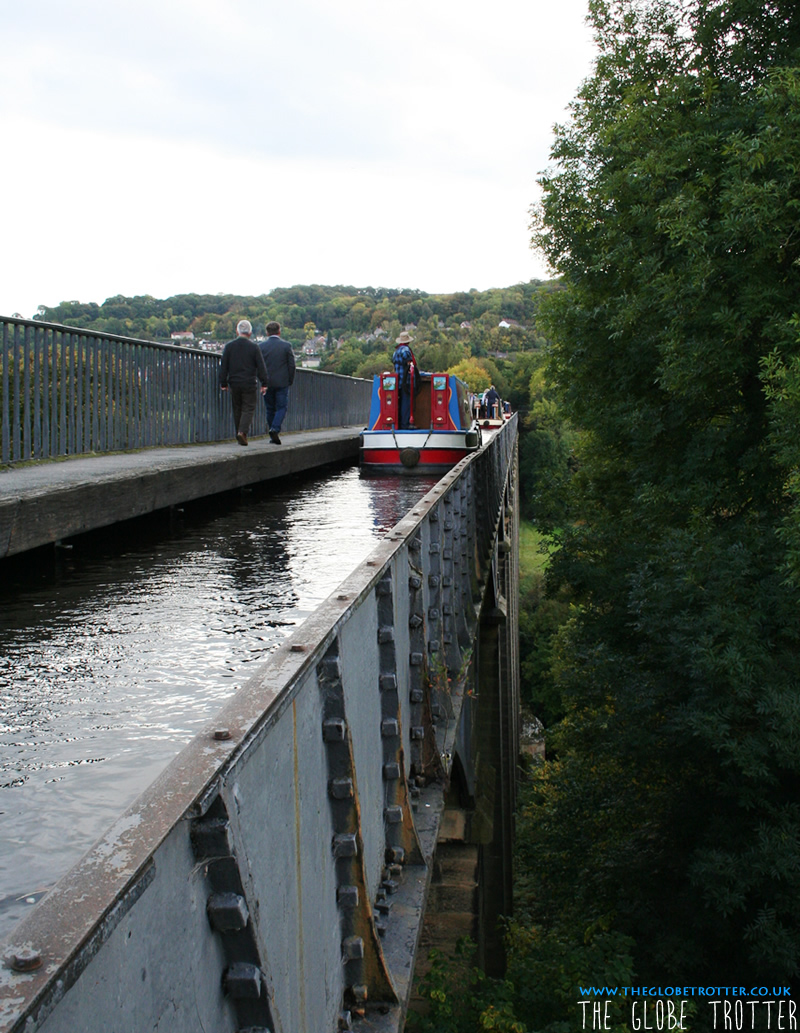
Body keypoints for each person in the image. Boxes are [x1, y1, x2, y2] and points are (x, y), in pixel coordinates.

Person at [219, 319, 268, 446]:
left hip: (234, 382)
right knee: (248, 407)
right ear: (250, 333)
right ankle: (242, 432)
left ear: (237, 331)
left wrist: (223, 383)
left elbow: (223, 366)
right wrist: (264, 383)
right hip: (249, 382)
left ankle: (239, 433)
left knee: (237, 408)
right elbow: (261, 366)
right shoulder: (254, 347)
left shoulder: (229, 347)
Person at [259, 321, 296, 444]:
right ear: (279, 331)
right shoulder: (286, 346)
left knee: (270, 408)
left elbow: (259, 365)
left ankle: (272, 432)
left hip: (267, 382)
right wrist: (289, 380)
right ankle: (275, 429)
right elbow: (292, 365)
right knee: (281, 407)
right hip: (282, 382)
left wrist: (262, 381)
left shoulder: (261, 346)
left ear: (267, 332)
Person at [392, 331, 417, 429]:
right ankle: (405, 424)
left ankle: (399, 423)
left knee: (400, 402)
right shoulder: (405, 350)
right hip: (406, 382)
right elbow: (409, 364)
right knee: (407, 403)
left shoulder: (396, 351)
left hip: (398, 381)